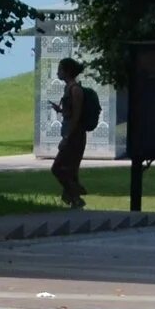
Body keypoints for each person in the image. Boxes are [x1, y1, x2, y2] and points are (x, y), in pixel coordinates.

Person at [49, 58, 99, 209]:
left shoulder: (75, 90)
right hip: (70, 133)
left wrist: (67, 137)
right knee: (70, 170)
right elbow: (70, 113)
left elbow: (76, 116)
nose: (58, 72)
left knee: (57, 168)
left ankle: (76, 191)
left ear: (68, 71)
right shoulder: (68, 89)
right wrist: (60, 110)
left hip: (75, 135)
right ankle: (76, 201)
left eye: (60, 69)